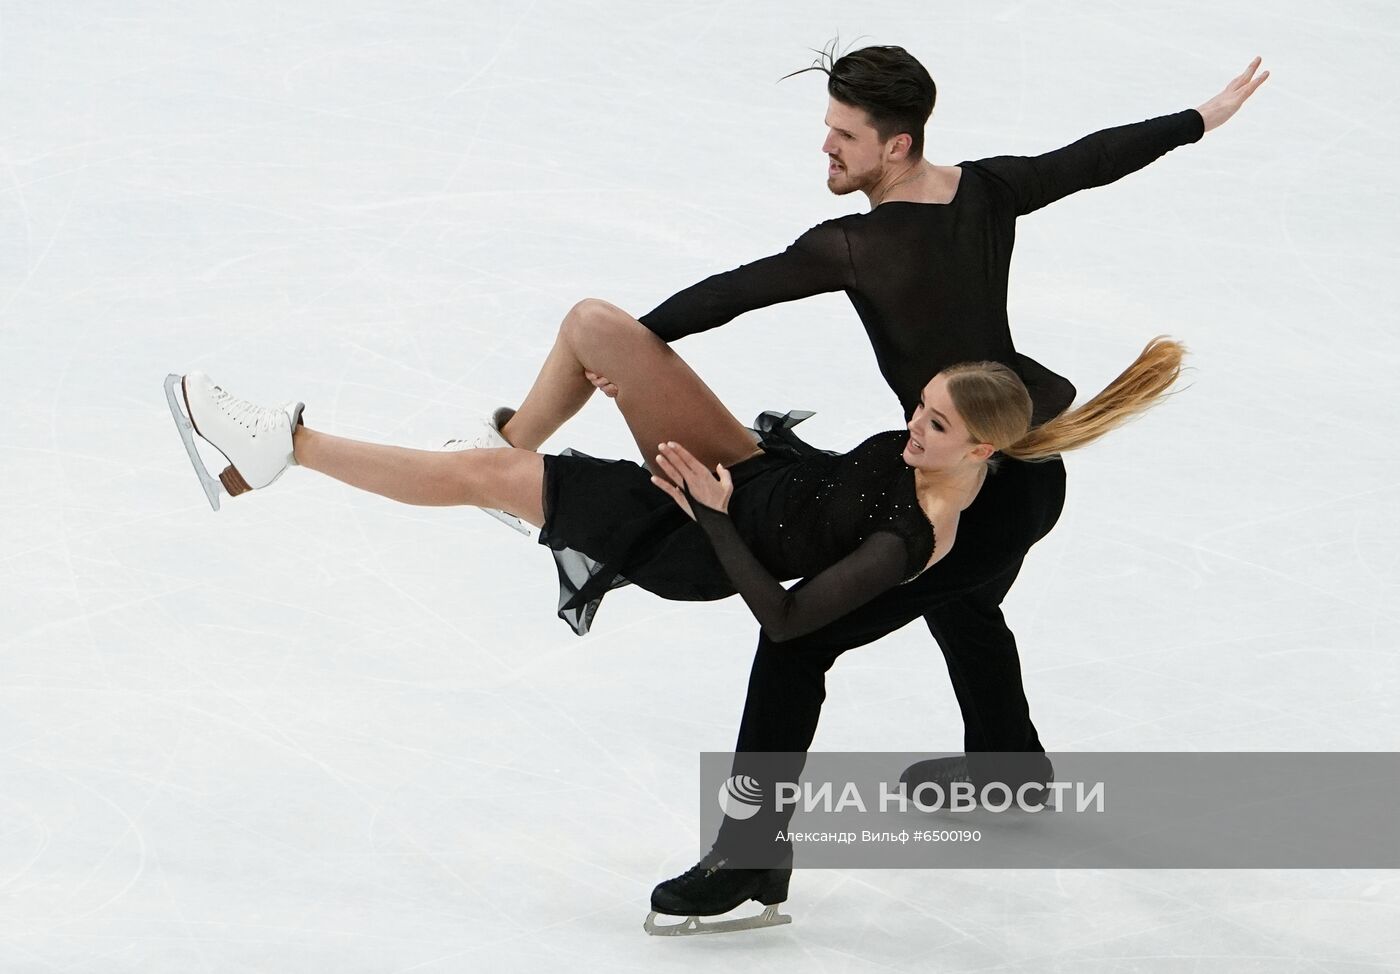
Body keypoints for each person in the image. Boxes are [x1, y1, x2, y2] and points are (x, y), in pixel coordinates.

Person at [449, 44, 1265, 931]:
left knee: (801, 644)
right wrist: (1198, 119)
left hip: (970, 484)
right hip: (1019, 474)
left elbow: (733, 294)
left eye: (844, 135)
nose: (826, 150)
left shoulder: (858, 245)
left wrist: (632, 349)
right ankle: (1008, 769)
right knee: (965, 601)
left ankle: (749, 858)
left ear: (898, 146)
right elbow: (1089, 160)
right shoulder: (986, 190)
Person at [165, 326, 1181, 653]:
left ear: (980, 454)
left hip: (703, 540)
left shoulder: (915, 541)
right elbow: (819, 479)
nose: (911, 429)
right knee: (598, 324)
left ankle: (278, 446)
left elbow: (783, 621)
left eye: (934, 426)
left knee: (482, 475)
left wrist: (707, 508)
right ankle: (508, 452)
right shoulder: (935, 444)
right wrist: (734, 473)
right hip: (747, 471)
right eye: (916, 409)